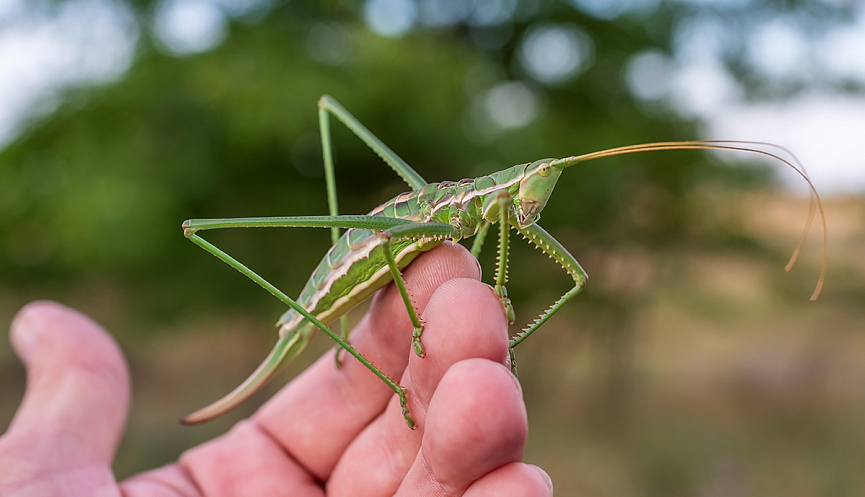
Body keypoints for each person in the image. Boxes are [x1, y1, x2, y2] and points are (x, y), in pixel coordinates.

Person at [0, 244, 553, 496]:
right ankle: (340, 330)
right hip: (374, 246)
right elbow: (396, 257)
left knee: (456, 293)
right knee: (444, 288)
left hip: (398, 241)